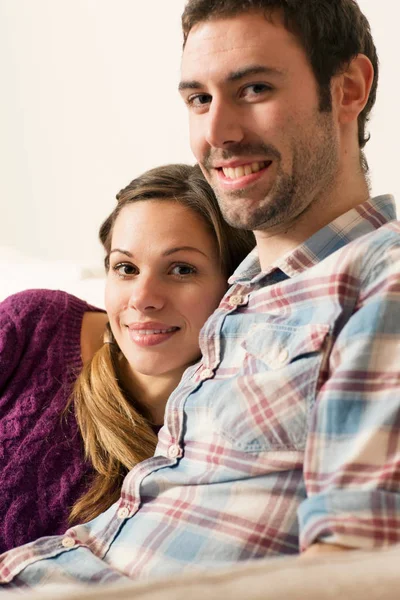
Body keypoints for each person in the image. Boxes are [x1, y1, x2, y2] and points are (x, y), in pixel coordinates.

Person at [1, 0, 400, 589]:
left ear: (348, 89)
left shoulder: (378, 277)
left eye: (255, 88)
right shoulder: (243, 294)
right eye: (199, 100)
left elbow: (354, 569)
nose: (217, 134)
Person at [0, 163, 254, 553]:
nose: (142, 298)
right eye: (126, 268)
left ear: (232, 286)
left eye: (181, 269)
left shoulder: (233, 430)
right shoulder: (33, 326)